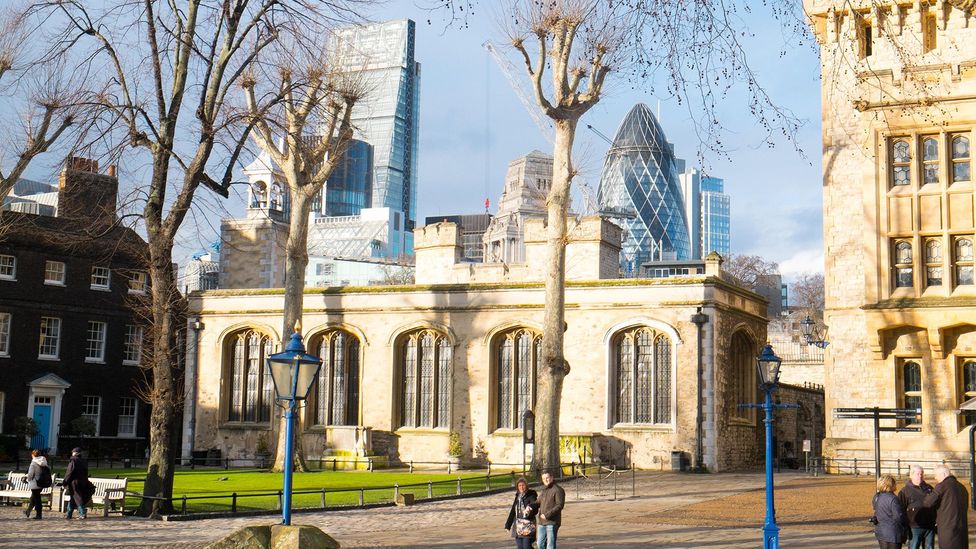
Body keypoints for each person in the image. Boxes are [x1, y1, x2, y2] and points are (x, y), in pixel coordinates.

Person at [920, 464, 969, 549]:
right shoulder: (962, 487)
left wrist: (927, 491)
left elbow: (927, 503)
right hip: (962, 530)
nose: (935, 478)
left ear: (943, 475)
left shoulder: (942, 486)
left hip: (948, 530)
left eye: (936, 475)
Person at [899, 465, 936, 549]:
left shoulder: (929, 488)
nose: (920, 476)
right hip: (914, 527)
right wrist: (905, 527)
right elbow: (901, 510)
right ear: (911, 475)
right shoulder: (905, 491)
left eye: (922, 473)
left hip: (929, 526)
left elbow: (935, 505)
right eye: (918, 474)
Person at [874, 474, 909, 549]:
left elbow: (876, 512)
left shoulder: (876, 497)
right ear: (890, 485)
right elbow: (899, 517)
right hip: (893, 533)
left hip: (881, 531)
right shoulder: (893, 499)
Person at [504, 477, 538, 549]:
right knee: (520, 547)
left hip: (528, 526)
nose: (521, 487)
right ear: (517, 487)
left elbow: (535, 505)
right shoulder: (517, 497)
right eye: (519, 485)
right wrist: (508, 525)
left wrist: (529, 509)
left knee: (527, 547)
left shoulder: (531, 495)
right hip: (518, 526)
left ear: (526, 485)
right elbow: (513, 511)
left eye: (523, 485)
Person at [536, 471, 565, 549]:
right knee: (540, 544)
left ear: (552, 478)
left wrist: (547, 515)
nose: (545, 480)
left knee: (550, 546)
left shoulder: (558, 490)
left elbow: (559, 506)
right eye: (543, 479)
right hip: (541, 522)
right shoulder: (544, 490)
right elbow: (538, 502)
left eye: (547, 478)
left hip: (552, 522)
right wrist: (530, 507)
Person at [63, 447, 91, 519]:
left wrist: (65, 482)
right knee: (73, 497)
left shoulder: (73, 460)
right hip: (83, 481)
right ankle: (69, 513)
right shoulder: (84, 461)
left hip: (74, 482)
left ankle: (82, 512)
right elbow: (85, 472)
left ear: (74, 453)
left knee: (77, 497)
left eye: (73, 452)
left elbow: (69, 472)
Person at [24, 449, 49, 520]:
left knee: (37, 499)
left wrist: (27, 479)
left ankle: (39, 514)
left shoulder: (33, 463)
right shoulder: (43, 461)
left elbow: (30, 474)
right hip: (41, 482)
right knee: (33, 497)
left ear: (32, 455)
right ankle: (28, 511)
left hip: (34, 483)